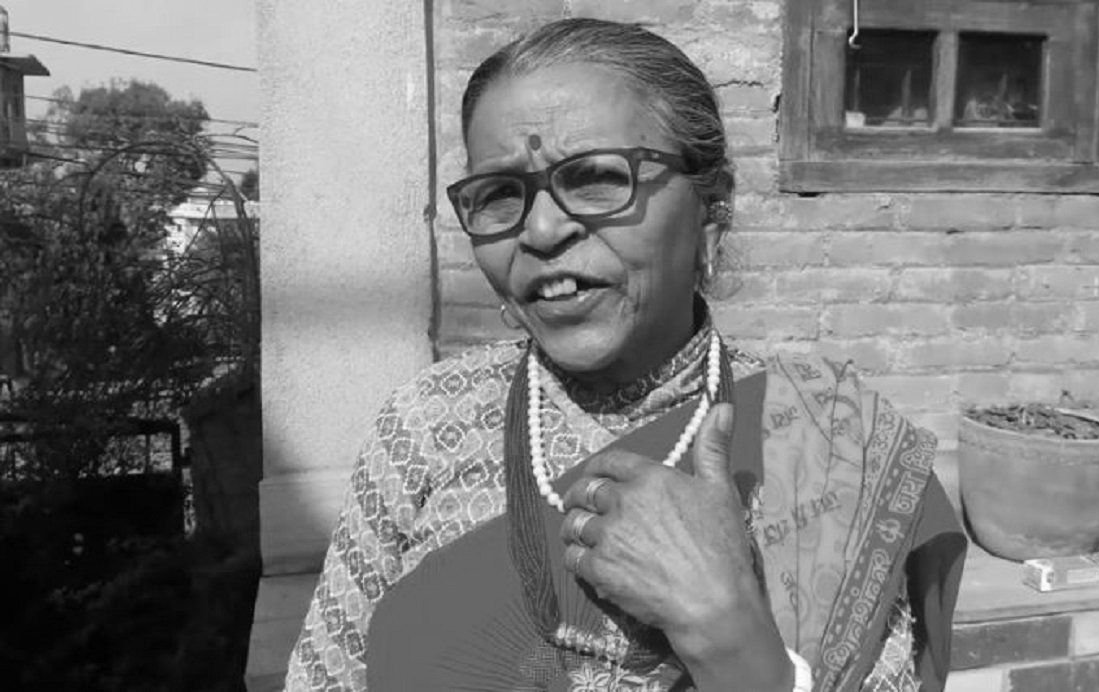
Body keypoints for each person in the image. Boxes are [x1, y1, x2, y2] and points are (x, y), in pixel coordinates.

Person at [285, 17, 966, 692]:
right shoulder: (428, 425)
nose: (541, 230)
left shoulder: (827, 443)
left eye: (596, 179)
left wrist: (726, 630)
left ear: (712, 206)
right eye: (497, 195)